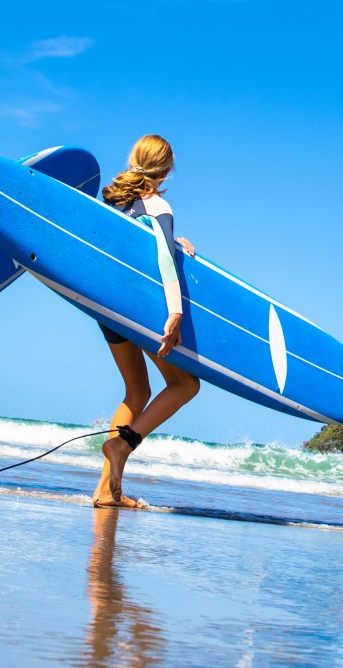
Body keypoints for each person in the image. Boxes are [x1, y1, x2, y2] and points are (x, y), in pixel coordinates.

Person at [92, 135, 200, 508]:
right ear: (167, 170)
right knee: (186, 384)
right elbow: (163, 264)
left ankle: (106, 491)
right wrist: (176, 311)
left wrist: (172, 239)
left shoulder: (110, 200)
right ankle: (122, 444)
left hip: (106, 306)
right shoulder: (158, 205)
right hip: (141, 309)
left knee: (136, 392)